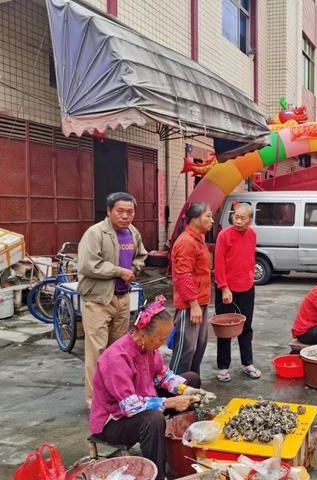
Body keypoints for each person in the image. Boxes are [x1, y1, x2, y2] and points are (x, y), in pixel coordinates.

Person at [90, 296, 212, 480]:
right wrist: (170, 402)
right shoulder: (116, 357)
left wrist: (184, 390)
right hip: (113, 421)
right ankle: (157, 474)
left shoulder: (148, 348)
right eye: (160, 339)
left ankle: (175, 444)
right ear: (142, 334)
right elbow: (129, 406)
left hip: (143, 401)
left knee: (191, 379)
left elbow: (163, 375)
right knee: (153, 419)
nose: (162, 343)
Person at [78, 192, 147, 407]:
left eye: (130, 211)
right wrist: (119, 271)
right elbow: (88, 265)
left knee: (117, 352)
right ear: (109, 211)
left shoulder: (133, 232)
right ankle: (94, 401)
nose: (125, 216)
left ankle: (114, 395)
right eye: (120, 211)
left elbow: (141, 256)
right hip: (99, 300)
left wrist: (134, 268)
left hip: (123, 298)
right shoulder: (95, 233)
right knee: (96, 352)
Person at [214, 202, 261, 382]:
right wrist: (224, 287)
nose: (238, 220)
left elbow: (249, 259)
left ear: (250, 220)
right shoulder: (224, 235)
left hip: (247, 287)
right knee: (225, 328)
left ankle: (247, 363)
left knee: (246, 327)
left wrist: (250, 280)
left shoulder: (252, 234)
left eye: (242, 218)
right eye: (236, 216)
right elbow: (219, 263)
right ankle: (224, 367)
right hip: (227, 289)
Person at [169, 203, 214, 376]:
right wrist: (193, 304)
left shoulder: (198, 238)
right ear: (195, 219)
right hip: (189, 304)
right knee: (185, 348)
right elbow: (183, 275)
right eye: (208, 216)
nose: (211, 220)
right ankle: (174, 389)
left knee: (198, 346)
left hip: (200, 301)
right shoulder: (186, 242)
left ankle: (192, 384)